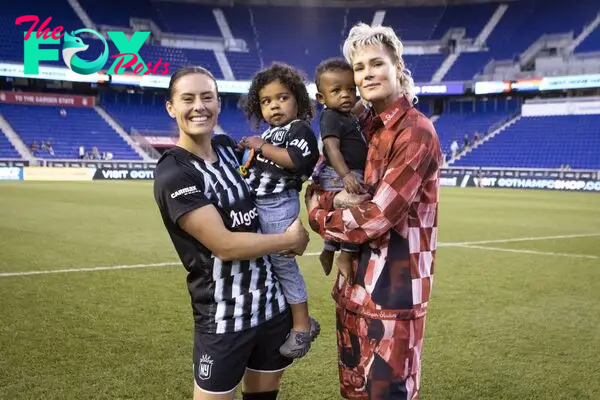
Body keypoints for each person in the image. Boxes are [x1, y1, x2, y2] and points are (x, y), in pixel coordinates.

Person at [153, 66, 310, 400]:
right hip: (224, 321)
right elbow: (224, 245)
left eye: (207, 97)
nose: (199, 106)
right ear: (171, 107)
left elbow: (285, 175)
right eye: (188, 99)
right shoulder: (174, 173)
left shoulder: (229, 149)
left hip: (272, 309)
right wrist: (290, 239)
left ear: (218, 104)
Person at [306, 23, 442, 400]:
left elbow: (377, 216)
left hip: (393, 299)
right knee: (352, 394)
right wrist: (327, 202)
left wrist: (321, 215)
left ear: (397, 66)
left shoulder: (416, 132)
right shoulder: (357, 124)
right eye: (359, 67)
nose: (367, 73)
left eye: (376, 63)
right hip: (352, 292)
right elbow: (315, 187)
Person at [239, 62, 321, 359]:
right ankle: (276, 316)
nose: (274, 106)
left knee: (284, 264)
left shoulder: (299, 129)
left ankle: (302, 325)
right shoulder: (271, 134)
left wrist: (260, 147)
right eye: (266, 101)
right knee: (263, 263)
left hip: (278, 204)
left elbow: (297, 161)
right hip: (256, 204)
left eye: (282, 98)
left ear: (298, 99)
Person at [311, 58, 368, 279]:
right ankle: (345, 254)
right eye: (336, 91)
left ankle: (327, 250)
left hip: (348, 173)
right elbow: (332, 148)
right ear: (321, 98)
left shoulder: (346, 115)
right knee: (354, 211)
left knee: (342, 213)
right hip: (340, 174)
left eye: (350, 89)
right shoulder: (330, 116)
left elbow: (356, 110)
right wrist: (346, 175)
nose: (345, 94)